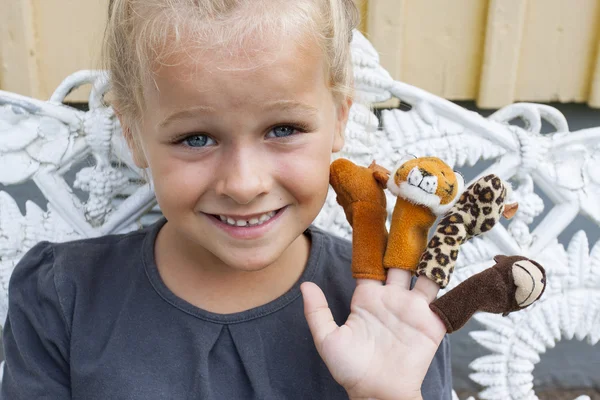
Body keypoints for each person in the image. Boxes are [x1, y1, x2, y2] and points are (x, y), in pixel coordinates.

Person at [1, 0, 452, 399]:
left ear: (339, 118)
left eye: (283, 129)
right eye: (196, 138)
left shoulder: (396, 316)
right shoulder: (63, 298)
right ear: (132, 133)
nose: (243, 183)